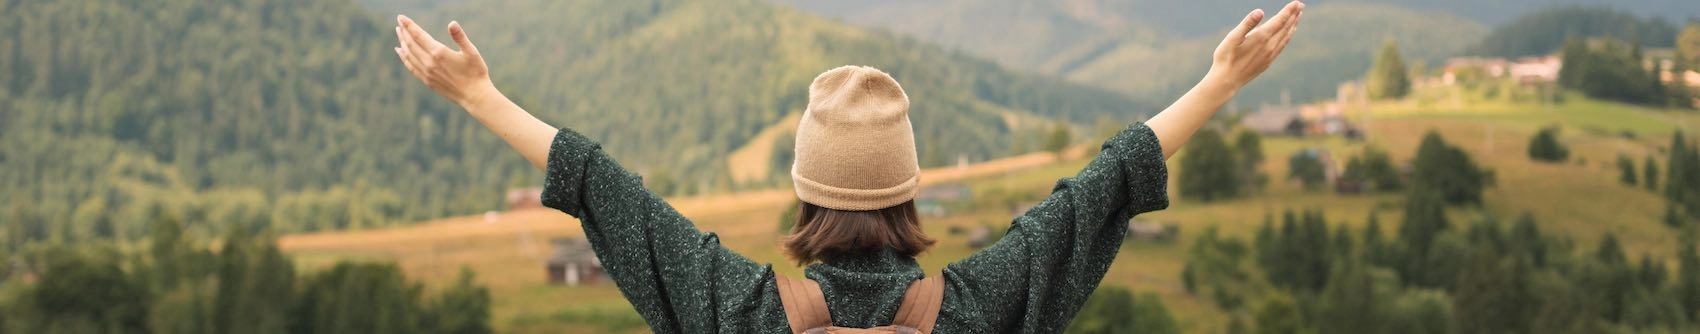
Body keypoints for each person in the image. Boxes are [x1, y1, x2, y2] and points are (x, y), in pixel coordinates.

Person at [392, 1, 1304, 332]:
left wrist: (478, 96)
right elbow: (1106, 183)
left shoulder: (736, 308)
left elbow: (603, 187)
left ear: (804, 193)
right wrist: (1220, 82)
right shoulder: (986, 303)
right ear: (907, 191)